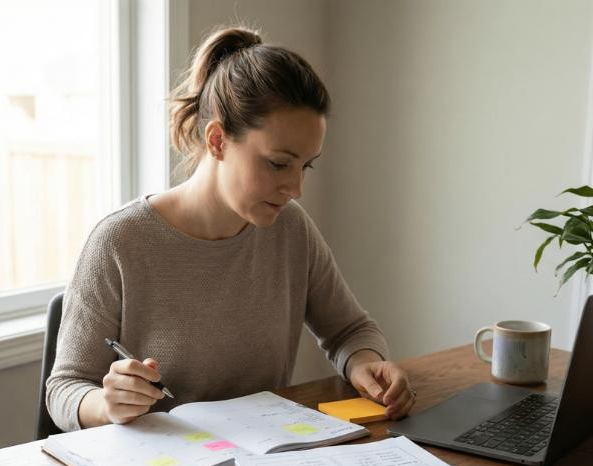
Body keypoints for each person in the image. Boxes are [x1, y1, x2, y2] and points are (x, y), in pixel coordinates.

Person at [46, 26, 415, 432]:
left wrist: (366, 363)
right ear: (218, 140)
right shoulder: (120, 242)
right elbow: (65, 389)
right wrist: (107, 403)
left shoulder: (290, 230)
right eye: (278, 163)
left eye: (305, 165)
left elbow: (350, 330)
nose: (296, 189)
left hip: (263, 464)